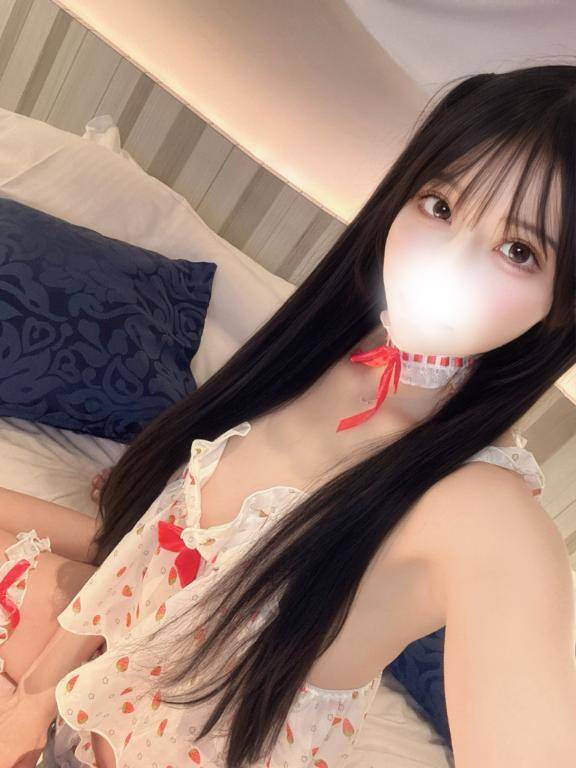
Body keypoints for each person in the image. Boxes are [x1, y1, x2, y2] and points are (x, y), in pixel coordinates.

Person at [0, 63, 575, 768]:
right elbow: (148, 549)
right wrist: (32, 704)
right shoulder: (329, 346)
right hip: (88, 687)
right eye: (440, 205)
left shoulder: (488, 514)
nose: (449, 261)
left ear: (564, 304)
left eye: (519, 251)